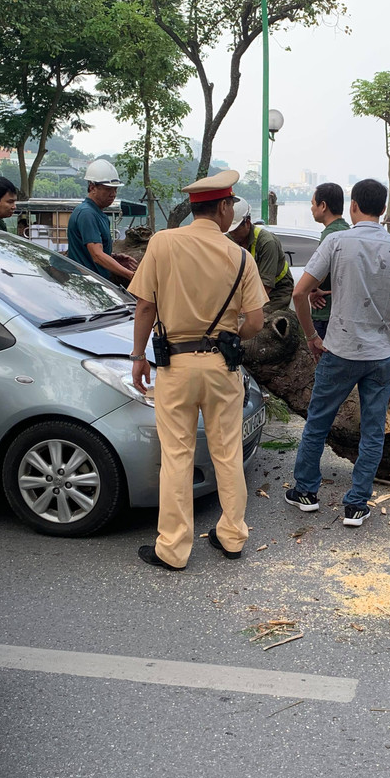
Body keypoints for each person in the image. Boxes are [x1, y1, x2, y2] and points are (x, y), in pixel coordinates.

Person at [128, 170, 267, 570]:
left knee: (177, 456)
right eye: (231, 207)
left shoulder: (163, 243)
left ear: (194, 208)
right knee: (227, 452)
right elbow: (256, 320)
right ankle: (233, 536)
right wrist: (231, 335)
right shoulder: (240, 256)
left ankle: (172, 549)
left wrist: (139, 356)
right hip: (223, 367)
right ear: (222, 207)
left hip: (176, 365)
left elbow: (145, 306)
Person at [286, 179, 390, 527]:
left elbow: (300, 294)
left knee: (318, 422)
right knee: (374, 431)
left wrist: (311, 337)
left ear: (353, 205)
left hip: (339, 350)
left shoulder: (336, 242)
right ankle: (357, 503)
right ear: (383, 208)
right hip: (378, 357)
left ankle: (305, 491)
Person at [67, 159, 138, 285]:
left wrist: (113, 257)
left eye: (115, 189)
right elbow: (97, 255)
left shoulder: (97, 213)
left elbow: (92, 251)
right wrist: (131, 275)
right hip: (87, 284)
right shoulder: (87, 214)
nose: (113, 194)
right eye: (108, 189)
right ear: (92, 187)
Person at [227, 197, 293, 313]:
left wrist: (244, 310)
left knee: (262, 318)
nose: (232, 234)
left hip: (277, 289)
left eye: (236, 230)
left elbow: (265, 286)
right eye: (230, 230)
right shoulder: (229, 238)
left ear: (247, 223)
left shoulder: (267, 243)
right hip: (249, 288)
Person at [308, 182, 349, 339]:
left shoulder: (330, 235)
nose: (311, 208)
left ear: (323, 205)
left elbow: (319, 273)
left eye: (313, 204)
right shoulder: (347, 230)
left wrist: (312, 290)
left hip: (325, 311)